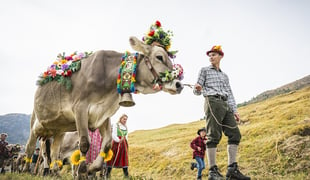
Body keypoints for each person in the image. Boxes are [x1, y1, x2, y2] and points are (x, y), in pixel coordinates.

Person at [194, 45, 250, 180]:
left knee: (235, 134)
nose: (211, 57)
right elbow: (197, 91)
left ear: (220, 56)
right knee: (213, 135)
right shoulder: (204, 70)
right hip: (212, 102)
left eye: (213, 54)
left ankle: (232, 170)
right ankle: (213, 172)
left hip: (225, 104)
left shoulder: (225, 76)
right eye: (210, 55)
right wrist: (198, 88)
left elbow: (230, 94)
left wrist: (235, 110)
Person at [106, 114, 129, 179]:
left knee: (124, 159)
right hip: (116, 144)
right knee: (113, 158)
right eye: (124, 119)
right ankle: (107, 174)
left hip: (124, 145)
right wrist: (118, 140)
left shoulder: (125, 127)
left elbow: (126, 136)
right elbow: (113, 134)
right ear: (121, 118)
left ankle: (126, 175)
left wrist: (126, 143)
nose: (125, 120)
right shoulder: (116, 125)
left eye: (126, 119)